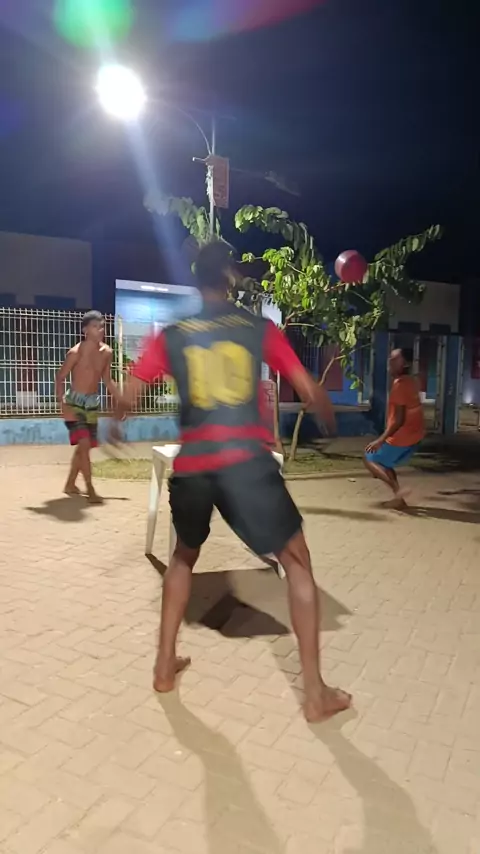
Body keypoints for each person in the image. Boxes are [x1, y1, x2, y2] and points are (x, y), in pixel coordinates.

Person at [112, 241, 351, 723]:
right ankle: (315, 693)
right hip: (245, 465)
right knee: (297, 562)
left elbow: (128, 396)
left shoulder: (173, 335)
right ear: (229, 277)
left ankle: (164, 666)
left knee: (184, 556)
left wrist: (116, 416)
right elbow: (306, 387)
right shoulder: (257, 328)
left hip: (194, 466)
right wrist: (320, 401)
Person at [56, 310, 117, 503]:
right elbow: (60, 377)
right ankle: (90, 488)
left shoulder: (107, 353)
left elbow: (107, 380)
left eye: (102, 327)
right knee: (83, 444)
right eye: (95, 326)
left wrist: (120, 401)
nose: (100, 330)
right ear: (85, 330)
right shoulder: (75, 353)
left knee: (85, 446)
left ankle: (70, 484)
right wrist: (62, 404)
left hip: (91, 403)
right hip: (74, 402)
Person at [364, 347, 425, 508]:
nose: (390, 362)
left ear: (405, 364)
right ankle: (399, 500)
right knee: (385, 463)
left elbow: (398, 420)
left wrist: (380, 440)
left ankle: (398, 493)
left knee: (369, 458)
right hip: (415, 435)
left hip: (402, 436)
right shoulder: (411, 382)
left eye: (395, 359)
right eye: (390, 358)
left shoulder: (400, 386)